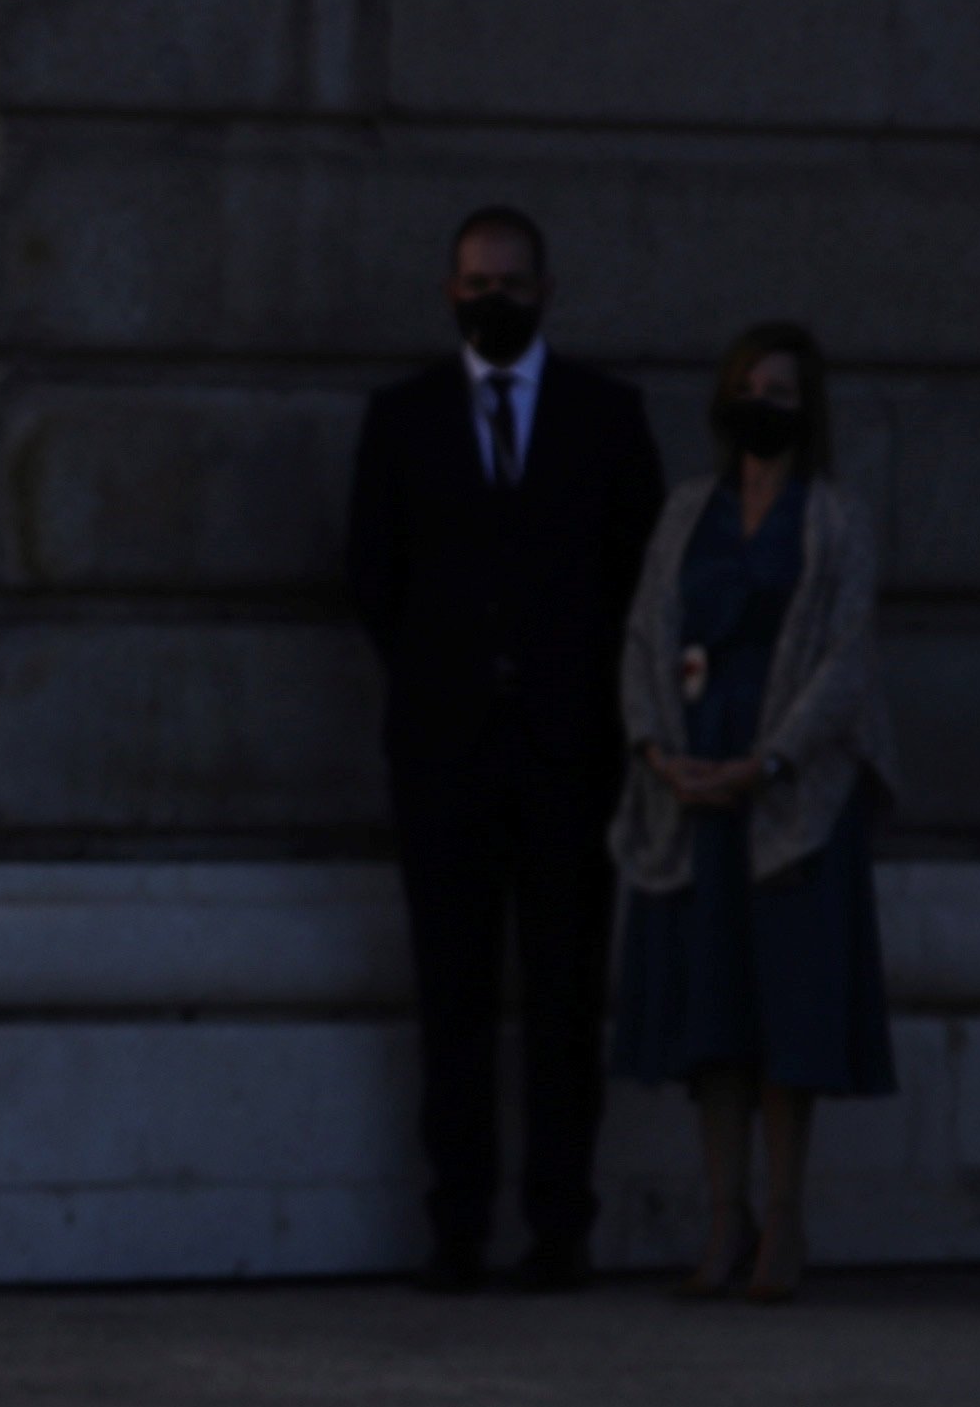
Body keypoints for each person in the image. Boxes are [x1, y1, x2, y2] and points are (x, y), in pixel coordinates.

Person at [343, 207, 668, 1289]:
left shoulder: (607, 419)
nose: (494, 297)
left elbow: (641, 585)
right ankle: (458, 1225)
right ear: (448, 291)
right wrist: (447, 683)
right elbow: (372, 580)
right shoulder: (402, 419)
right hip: (444, 758)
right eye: (477, 280)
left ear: (547, 291)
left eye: (513, 281)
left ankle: (560, 1224)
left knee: (568, 998)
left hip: (570, 756)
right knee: (455, 1000)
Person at [605, 320, 895, 1301]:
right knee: (713, 1011)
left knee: (787, 1009)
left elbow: (846, 659)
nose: (761, 404)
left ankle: (785, 1220)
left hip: (789, 793)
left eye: (780, 389)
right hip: (691, 783)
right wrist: (658, 752)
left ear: (807, 407)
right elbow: (646, 633)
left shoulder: (837, 516)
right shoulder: (689, 509)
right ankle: (720, 1219)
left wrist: (768, 762)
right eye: (745, 386)